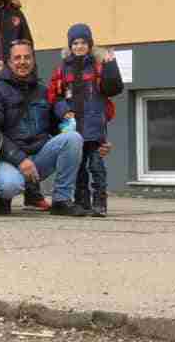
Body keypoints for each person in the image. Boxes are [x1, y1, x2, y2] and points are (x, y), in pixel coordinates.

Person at [0, 40, 86, 216]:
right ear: (9, 62)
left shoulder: (44, 90)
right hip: (10, 158)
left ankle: (61, 199)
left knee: (73, 139)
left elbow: (56, 127)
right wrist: (21, 159)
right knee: (8, 186)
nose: (22, 62)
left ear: (33, 60)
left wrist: (94, 141)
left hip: (39, 157)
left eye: (27, 57)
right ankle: (3, 197)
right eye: (17, 58)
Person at [47, 24, 123, 216]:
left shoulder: (98, 65)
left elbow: (112, 89)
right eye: (75, 43)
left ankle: (100, 201)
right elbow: (54, 96)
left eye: (83, 42)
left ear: (90, 44)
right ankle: (82, 200)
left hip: (95, 127)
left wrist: (111, 65)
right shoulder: (63, 69)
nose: (79, 46)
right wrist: (63, 110)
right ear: (70, 46)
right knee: (79, 168)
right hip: (74, 128)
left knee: (97, 166)